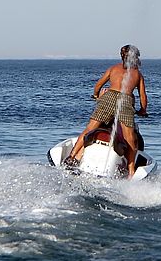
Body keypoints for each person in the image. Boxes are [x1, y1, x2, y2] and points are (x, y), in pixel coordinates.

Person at [63, 44, 148, 177]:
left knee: (89, 129)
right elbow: (143, 96)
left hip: (108, 97)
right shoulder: (137, 74)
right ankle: (131, 172)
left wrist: (96, 95)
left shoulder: (113, 68)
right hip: (125, 101)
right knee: (130, 140)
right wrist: (143, 110)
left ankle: (72, 157)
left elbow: (98, 85)